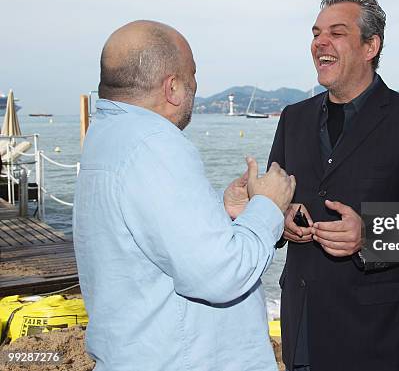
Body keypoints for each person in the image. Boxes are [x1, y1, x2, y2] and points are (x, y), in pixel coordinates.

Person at [73, 20, 295, 371]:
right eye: (193, 75)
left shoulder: (107, 138)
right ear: (173, 87)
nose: (196, 86)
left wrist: (224, 214)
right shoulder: (155, 145)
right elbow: (222, 274)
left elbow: (151, 244)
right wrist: (268, 206)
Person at [268, 0, 399, 371]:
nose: (320, 42)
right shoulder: (292, 118)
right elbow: (273, 198)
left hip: (372, 338)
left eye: (336, 32)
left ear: (370, 46)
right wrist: (280, 220)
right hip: (300, 327)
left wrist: (368, 235)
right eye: (316, 33)